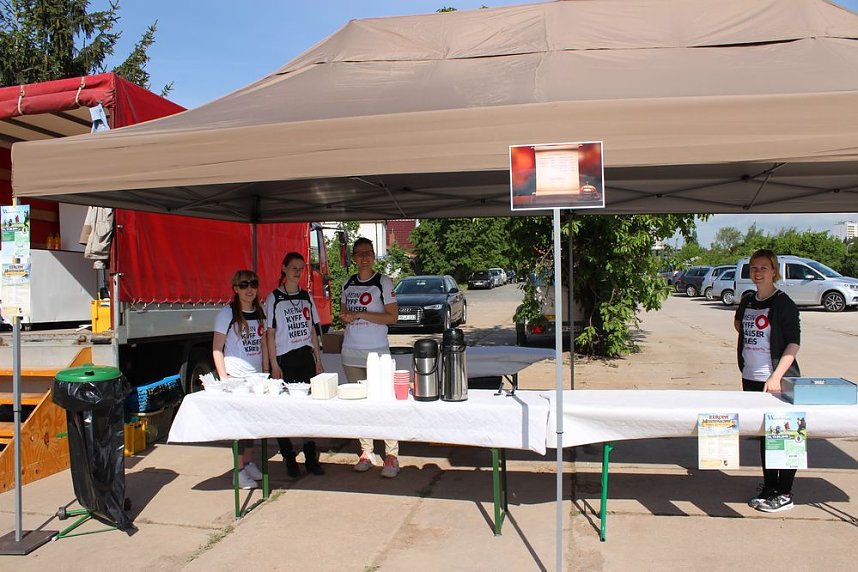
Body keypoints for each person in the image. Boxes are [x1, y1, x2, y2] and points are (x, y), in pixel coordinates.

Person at [734, 249, 801, 513]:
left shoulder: (784, 303)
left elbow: (793, 343)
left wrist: (776, 376)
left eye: (764, 268)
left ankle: (785, 492)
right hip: (751, 377)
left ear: (774, 271)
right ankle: (770, 487)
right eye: (754, 268)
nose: (758, 273)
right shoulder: (748, 299)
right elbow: (739, 324)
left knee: (783, 435)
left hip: (776, 380)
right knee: (764, 435)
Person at [340, 238, 400, 478]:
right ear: (353, 257)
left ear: (374, 255)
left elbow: (392, 317)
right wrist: (346, 316)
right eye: (359, 253)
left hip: (377, 351)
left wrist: (362, 314)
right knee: (359, 405)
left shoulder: (383, 282)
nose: (364, 257)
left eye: (368, 252)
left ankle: (391, 455)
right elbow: (344, 313)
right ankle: (366, 451)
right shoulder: (347, 283)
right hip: (351, 350)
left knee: (385, 403)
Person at [265, 252, 325, 477]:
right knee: (284, 410)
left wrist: (318, 360)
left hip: (305, 357)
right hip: (285, 359)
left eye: (301, 268)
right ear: (284, 268)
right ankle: (289, 457)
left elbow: (312, 330)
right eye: (293, 268)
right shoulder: (274, 298)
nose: (297, 272)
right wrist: (274, 364)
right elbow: (270, 334)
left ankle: (310, 457)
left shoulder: (305, 296)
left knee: (308, 409)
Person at [213, 270, 269, 489]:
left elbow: (263, 344)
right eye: (244, 285)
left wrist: (266, 370)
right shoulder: (227, 314)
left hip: (256, 378)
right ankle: (238, 471)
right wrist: (224, 377)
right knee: (239, 428)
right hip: (236, 379)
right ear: (236, 289)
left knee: (252, 425)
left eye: (253, 284)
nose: (249, 289)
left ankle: (247, 463)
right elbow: (217, 348)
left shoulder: (260, 311)